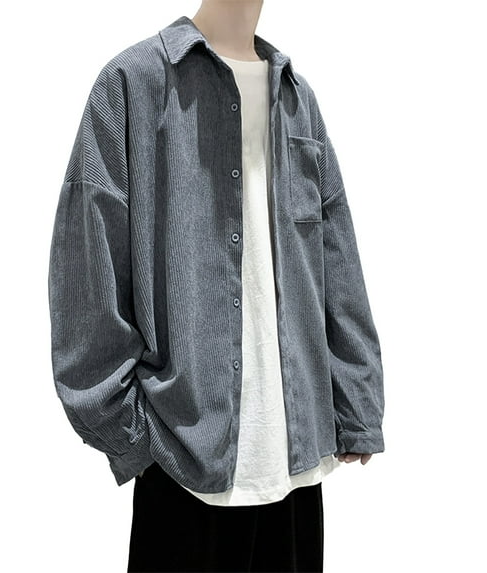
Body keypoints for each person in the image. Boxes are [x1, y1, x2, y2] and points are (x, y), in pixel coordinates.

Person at [48, 1, 386, 571]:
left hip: (297, 466)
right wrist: (131, 434)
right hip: (183, 465)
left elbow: (336, 256)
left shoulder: (297, 99)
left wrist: (357, 403)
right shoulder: (132, 84)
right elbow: (86, 273)